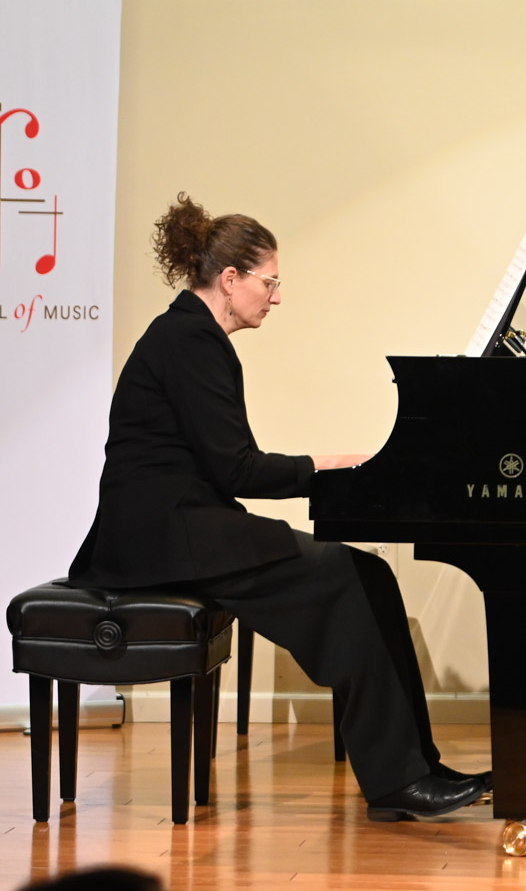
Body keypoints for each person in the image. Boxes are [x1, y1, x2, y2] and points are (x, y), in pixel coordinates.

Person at [69, 193, 490, 821]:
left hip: (183, 524)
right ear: (230, 279)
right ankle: (396, 782)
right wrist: (326, 467)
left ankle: (418, 766)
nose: (277, 296)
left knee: (370, 574)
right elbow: (237, 468)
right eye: (269, 282)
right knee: (343, 575)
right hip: (162, 540)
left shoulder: (189, 334)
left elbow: (223, 466)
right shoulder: (190, 339)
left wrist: (326, 469)